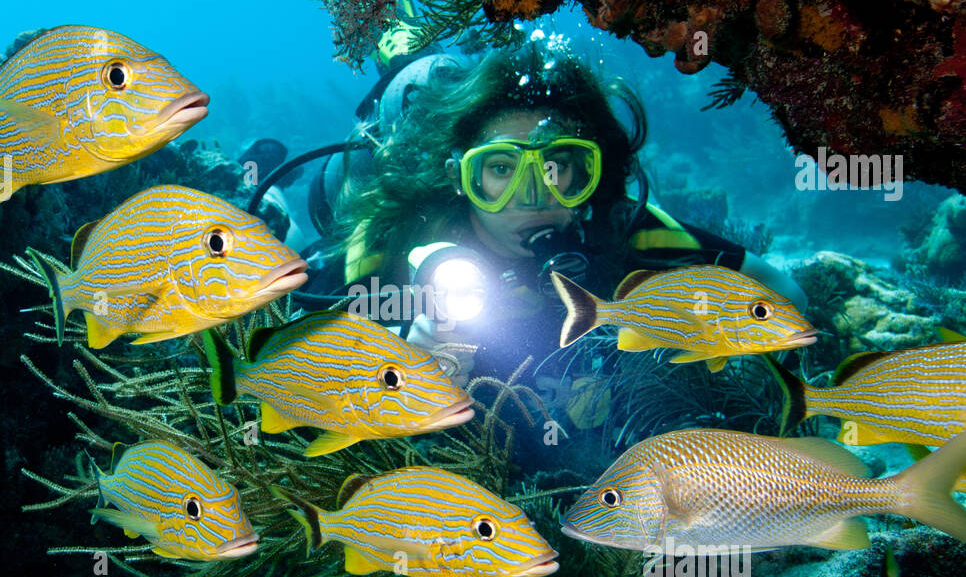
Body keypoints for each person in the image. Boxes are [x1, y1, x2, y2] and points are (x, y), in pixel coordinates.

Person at [330, 40, 806, 407]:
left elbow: (785, 296)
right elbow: (318, 394)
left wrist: (721, 358)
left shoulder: (625, 230)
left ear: (590, 176)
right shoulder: (388, 249)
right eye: (500, 168)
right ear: (460, 177)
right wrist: (401, 381)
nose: (534, 195)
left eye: (558, 165)